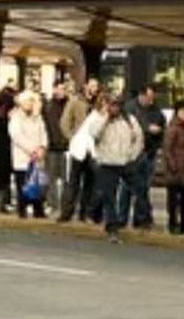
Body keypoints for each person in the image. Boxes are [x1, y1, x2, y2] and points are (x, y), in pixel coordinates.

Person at [88, 96, 145, 244]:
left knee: (140, 188)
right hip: (107, 163)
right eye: (111, 105)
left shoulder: (129, 120)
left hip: (125, 162)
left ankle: (143, 219)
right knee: (109, 197)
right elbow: (94, 134)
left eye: (117, 106)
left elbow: (138, 138)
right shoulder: (100, 120)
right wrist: (106, 118)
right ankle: (112, 227)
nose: (114, 109)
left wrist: (132, 156)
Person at [121, 85, 166, 230]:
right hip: (132, 154)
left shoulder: (156, 110)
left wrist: (159, 136)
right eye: (148, 97)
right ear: (141, 96)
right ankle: (122, 217)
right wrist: (147, 128)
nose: (150, 100)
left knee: (144, 187)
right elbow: (129, 127)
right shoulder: (130, 108)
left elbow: (162, 125)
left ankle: (140, 219)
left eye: (152, 98)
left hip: (149, 152)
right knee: (127, 188)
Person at [58, 80, 100, 223]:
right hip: (78, 148)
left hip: (92, 149)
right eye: (92, 86)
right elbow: (64, 122)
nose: (94, 89)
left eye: (96, 86)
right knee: (73, 182)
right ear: (85, 86)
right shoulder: (75, 102)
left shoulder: (98, 104)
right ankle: (66, 213)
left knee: (91, 183)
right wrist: (72, 138)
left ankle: (85, 213)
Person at [8, 90, 48, 219]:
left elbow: (43, 134)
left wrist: (42, 147)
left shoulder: (38, 118)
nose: (30, 104)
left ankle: (38, 210)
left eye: (32, 101)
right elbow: (17, 136)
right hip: (23, 156)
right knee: (23, 185)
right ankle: (22, 210)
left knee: (38, 184)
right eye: (28, 101)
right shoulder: (16, 117)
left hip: (37, 156)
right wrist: (31, 150)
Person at [162, 100, 184, 235]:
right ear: (177, 113)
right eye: (183, 111)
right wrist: (173, 166)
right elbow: (168, 150)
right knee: (173, 201)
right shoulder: (172, 128)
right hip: (176, 171)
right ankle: (172, 224)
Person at [41, 80, 72, 218]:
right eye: (59, 89)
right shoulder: (48, 106)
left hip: (66, 147)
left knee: (67, 178)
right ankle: (52, 204)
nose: (61, 91)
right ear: (54, 90)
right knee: (51, 178)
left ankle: (65, 205)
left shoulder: (70, 105)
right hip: (52, 146)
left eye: (63, 89)